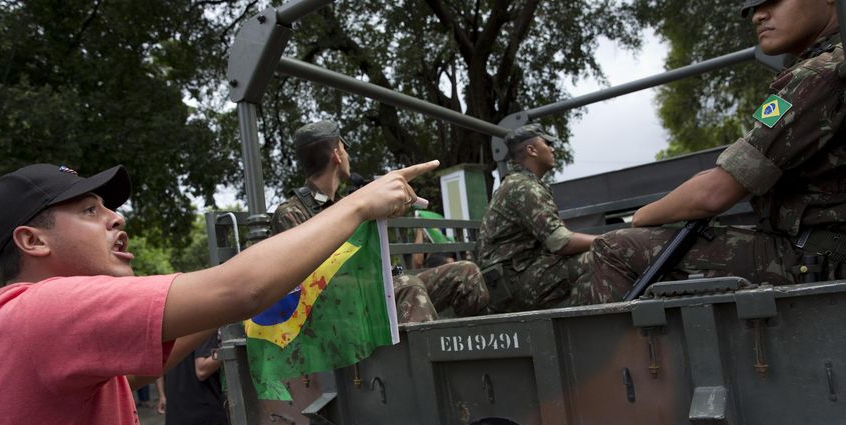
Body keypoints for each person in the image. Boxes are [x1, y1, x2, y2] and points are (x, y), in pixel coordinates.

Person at [0, 158, 435, 425]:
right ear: (34, 241)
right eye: (90, 210)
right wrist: (359, 202)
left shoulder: (26, 330)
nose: (116, 218)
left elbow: (152, 360)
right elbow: (238, 288)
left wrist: (269, 282)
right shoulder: (43, 309)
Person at [574, 0, 844, 304]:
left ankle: (638, 354)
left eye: (773, 2)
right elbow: (730, 169)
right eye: (752, 9)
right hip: (815, 248)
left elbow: (713, 193)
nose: (758, 15)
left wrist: (640, 217)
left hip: (818, 257)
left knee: (613, 249)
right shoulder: (826, 67)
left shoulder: (821, 75)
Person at [272, 120, 487, 319]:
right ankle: (426, 360)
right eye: (345, 150)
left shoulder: (351, 205)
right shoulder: (292, 213)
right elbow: (306, 288)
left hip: (375, 290)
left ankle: (477, 353)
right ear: (337, 155)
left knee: (465, 273)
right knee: (408, 286)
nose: (348, 157)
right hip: (340, 309)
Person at [476, 124, 596, 312]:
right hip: (513, 286)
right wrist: (607, 241)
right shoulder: (523, 187)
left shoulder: (521, 183)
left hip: (517, 277)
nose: (552, 149)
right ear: (531, 150)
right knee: (597, 257)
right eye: (547, 143)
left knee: (595, 256)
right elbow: (561, 242)